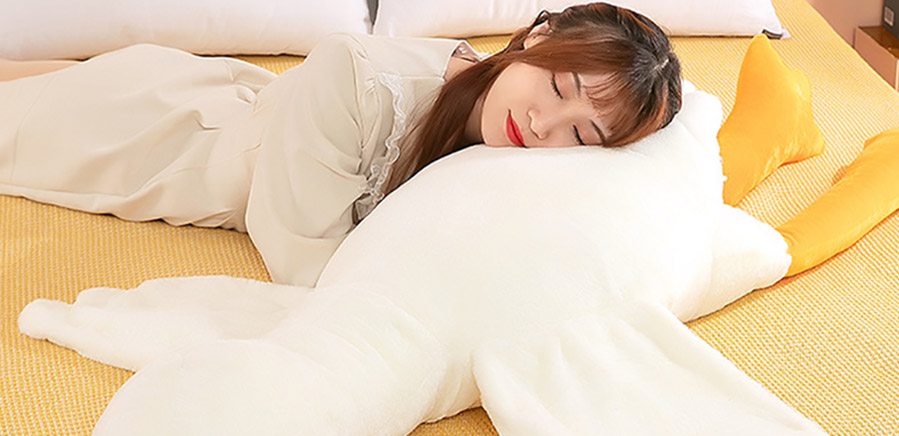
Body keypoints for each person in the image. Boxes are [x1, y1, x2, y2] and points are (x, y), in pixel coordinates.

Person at [0, 3, 681, 286]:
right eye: (558, 86)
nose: (542, 126)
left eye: (582, 134)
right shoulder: (356, 73)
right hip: (156, 141)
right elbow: (308, 266)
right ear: (536, 37)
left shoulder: (533, 164)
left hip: (219, 95)